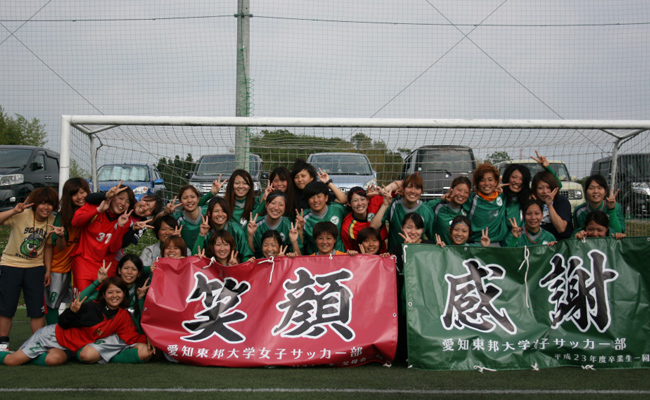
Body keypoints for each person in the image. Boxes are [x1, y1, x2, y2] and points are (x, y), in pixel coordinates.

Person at [0, 277, 149, 366]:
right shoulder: (91, 308)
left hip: (69, 348)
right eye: (110, 292)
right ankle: (15, 354)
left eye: (118, 292)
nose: (114, 296)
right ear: (103, 294)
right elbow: (63, 323)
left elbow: (130, 337)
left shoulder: (122, 315)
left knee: (54, 360)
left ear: (124, 294)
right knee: (11, 361)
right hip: (54, 336)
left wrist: (151, 342)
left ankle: (28, 356)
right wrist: (72, 311)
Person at [0, 187, 58, 351]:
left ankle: (38, 343)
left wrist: (47, 269)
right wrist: (13, 210)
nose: (46, 207)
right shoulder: (21, 214)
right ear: (35, 204)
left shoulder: (53, 221)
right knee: (7, 307)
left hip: (35, 268)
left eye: (50, 204)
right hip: (11, 264)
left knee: (37, 308)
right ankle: (2, 342)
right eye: (42, 203)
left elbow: (48, 246)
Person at [76, 256, 154, 363]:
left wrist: (140, 299)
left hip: (131, 337)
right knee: (86, 356)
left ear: (139, 273)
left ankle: (108, 357)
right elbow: (79, 301)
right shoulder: (111, 288)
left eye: (134, 269)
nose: (129, 272)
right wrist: (98, 281)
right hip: (108, 336)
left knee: (147, 353)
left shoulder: (142, 289)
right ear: (119, 270)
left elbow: (144, 318)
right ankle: (110, 354)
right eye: (126, 268)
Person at [70, 186, 135, 291]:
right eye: (121, 198)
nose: (123, 203)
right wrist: (98, 210)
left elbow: (114, 248)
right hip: (83, 261)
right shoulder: (96, 207)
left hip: (105, 266)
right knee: (82, 300)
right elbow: (75, 221)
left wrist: (119, 226)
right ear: (112, 197)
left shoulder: (125, 221)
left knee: (101, 301)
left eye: (127, 201)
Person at [47, 177, 91, 324]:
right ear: (68, 197)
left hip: (81, 266)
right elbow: (60, 246)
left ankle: (76, 334)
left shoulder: (92, 212)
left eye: (82, 192)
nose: (80, 197)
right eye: (75, 194)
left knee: (82, 302)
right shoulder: (62, 217)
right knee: (53, 305)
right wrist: (60, 236)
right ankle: (53, 336)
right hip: (59, 267)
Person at [382, 174, 435, 249]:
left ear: (421, 191)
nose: (413, 191)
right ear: (403, 189)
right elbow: (375, 226)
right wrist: (384, 190)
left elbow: (432, 237)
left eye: (417, 188)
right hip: (395, 255)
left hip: (417, 255)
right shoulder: (393, 205)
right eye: (409, 187)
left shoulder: (427, 211)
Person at [247, 191, 302, 258]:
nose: (276, 208)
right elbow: (250, 253)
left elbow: (299, 258)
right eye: (273, 203)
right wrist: (251, 235)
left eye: (281, 205)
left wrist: (294, 242)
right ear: (266, 204)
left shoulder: (289, 226)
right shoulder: (255, 224)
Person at [301, 181, 348, 255]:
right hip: (315, 260)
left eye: (319, 196)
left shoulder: (338, 208)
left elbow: (344, 200)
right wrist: (299, 229)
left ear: (326, 198)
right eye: (312, 197)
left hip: (340, 257)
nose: (316, 200)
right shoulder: (302, 216)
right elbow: (300, 243)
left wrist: (328, 182)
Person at [467, 163, 508, 244]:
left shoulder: (503, 197)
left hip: (497, 244)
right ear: (477, 183)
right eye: (482, 180)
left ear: (496, 182)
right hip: (476, 242)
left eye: (490, 180)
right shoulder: (471, 199)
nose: (486, 183)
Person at [340, 186, 389, 252]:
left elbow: (399, 185)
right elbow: (350, 251)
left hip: (383, 255)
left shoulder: (376, 204)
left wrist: (383, 191)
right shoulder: (347, 227)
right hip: (362, 259)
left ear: (368, 200)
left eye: (362, 199)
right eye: (355, 201)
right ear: (349, 203)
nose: (360, 204)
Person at [162, 185, 207, 252]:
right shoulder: (178, 218)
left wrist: (212, 193)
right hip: (186, 257)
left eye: (192, 197)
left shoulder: (207, 213)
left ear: (198, 199)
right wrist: (165, 213)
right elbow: (155, 224)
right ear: (180, 201)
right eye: (185, 198)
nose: (189, 200)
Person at [428, 177, 472, 245]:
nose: (462, 194)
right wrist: (441, 199)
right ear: (451, 189)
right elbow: (422, 207)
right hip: (438, 249)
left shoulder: (467, 209)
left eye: (466, 192)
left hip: (458, 253)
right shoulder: (439, 206)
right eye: (459, 190)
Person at [532, 170, 573, 240]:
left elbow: (561, 228)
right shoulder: (533, 203)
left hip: (560, 244)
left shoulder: (561, 201)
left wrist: (549, 205)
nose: (545, 191)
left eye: (548, 187)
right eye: (540, 188)